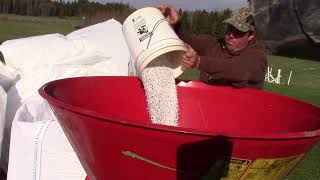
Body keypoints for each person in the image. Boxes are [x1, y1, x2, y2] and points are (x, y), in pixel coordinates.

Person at [156, 5, 267, 89]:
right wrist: (175, 24)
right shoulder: (214, 45)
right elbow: (188, 38)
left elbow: (237, 69)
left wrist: (199, 62)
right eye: (229, 28)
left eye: (238, 32)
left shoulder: (257, 56)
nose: (230, 35)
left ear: (251, 35)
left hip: (241, 113)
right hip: (208, 110)